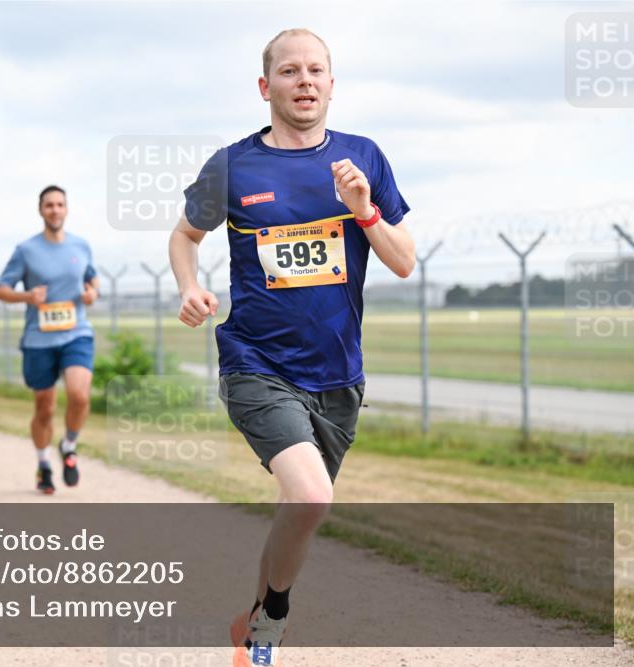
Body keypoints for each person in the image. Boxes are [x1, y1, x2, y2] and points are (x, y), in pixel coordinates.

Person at [168, 29, 415, 666]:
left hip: (337, 375)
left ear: (331, 84)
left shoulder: (363, 158)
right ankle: (274, 622)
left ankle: (249, 629)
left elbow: (405, 261)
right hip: (255, 361)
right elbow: (185, 235)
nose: (304, 81)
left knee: (297, 509)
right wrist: (190, 286)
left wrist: (363, 209)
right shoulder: (233, 165)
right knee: (309, 496)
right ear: (265, 86)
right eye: (289, 71)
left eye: (316, 71)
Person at [0, 185, 99, 495]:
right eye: (49, 205)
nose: (55, 210)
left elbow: (92, 279)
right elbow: (0, 289)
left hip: (76, 334)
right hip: (38, 339)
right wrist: (27, 295)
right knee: (44, 408)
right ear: (41, 210)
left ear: (66, 209)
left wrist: (92, 292)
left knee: (79, 396)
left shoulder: (81, 246)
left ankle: (68, 445)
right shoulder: (26, 250)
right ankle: (43, 464)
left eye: (60, 204)